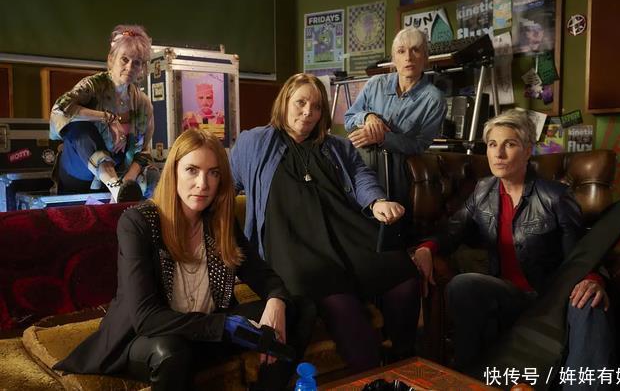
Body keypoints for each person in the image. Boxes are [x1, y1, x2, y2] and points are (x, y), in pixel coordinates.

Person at [54, 129, 315, 390]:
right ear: (174, 172)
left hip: (205, 332)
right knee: (172, 351)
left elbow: (264, 276)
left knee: (302, 307)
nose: (203, 184)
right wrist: (223, 326)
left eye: (213, 173)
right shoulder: (138, 223)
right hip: (147, 338)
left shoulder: (220, 222)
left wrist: (276, 300)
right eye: (192, 170)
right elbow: (146, 318)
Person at [231, 73, 421, 373]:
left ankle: (403, 360)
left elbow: (361, 176)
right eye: (301, 103)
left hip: (343, 232)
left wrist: (377, 201)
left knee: (403, 275)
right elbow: (225, 186)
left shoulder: (336, 146)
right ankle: (374, 377)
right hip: (292, 246)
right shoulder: (253, 143)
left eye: (317, 106)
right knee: (339, 301)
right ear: (284, 103)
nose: (308, 112)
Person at [412, 110, 614, 384]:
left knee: (590, 301)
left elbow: (580, 252)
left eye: (509, 144)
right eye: (492, 144)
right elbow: (453, 229)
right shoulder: (483, 190)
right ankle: (470, 378)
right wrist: (427, 248)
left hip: (550, 296)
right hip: (509, 294)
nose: (498, 153)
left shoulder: (555, 196)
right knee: (463, 285)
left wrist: (592, 279)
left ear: (528, 150)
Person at [344, 27, 447, 250]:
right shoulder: (375, 84)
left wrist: (383, 138)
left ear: (425, 57)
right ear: (393, 59)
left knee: (387, 232)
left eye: (415, 50)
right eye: (401, 51)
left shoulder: (434, 99)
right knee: (353, 226)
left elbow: (420, 145)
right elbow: (349, 119)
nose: (408, 57)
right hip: (361, 163)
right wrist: (368, 116)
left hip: (397, 171)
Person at [50, 24, 158, 203]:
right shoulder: (92, 86)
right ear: (111, 59)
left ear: (141, 68)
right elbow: (60, 110)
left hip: (119, 171)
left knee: (152, 175)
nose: (130, 66)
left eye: (137, 62)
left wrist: (127, 182)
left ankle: (120, 191)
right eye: (124, 59)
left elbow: (143, 152)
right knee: (79, 127)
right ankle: (115, 186)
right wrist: (107, 118)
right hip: (78, 174)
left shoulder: (143, 103)